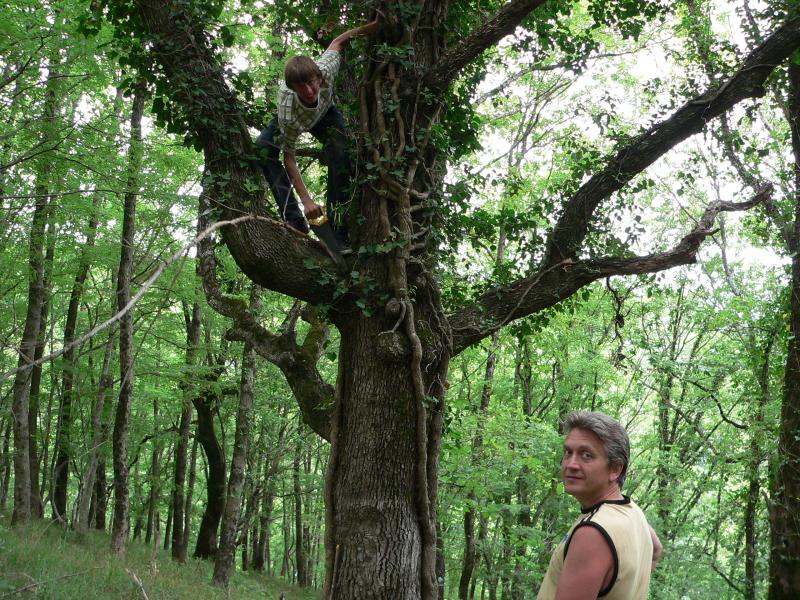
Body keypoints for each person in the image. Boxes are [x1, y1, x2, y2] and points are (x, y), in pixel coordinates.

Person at [255, 19, 378, 244]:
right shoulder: (287, 111)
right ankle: (294, 219)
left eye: (312, 82)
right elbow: (289, 157)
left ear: (319, 77)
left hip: (325, 114)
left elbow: (339, 40)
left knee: (342, 152)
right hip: (298, 118)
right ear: (293, 88)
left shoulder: (326, 69)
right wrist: (307, 201)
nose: (310, 90)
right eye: (302, 87)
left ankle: (336, 225)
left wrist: (373, 27)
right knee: (263, 149)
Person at [537, 410, 663, 600]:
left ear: (615, 469)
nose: (570, 464)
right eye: (568, 452)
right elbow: (656, 548)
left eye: (586, 455)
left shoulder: (593, 533)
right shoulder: (632, 512)